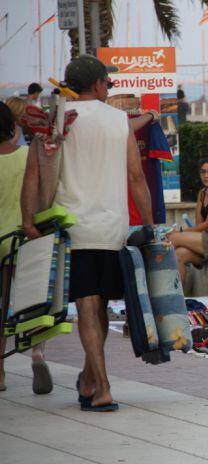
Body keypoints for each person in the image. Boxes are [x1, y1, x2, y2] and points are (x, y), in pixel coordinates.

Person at [20, 54, 154, 412]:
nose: (108, 89)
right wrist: (152, 223)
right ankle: (93, 380)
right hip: (113, 229)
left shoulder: (58, 120)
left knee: (87, 307)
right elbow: (136, 177)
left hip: (73, 228)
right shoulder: (119, 122)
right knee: (101, 310)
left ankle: (99, 383)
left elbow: (34, 174)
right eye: (108, 84)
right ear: (98, 85)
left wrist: (29, 221)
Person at [0, 101, 52, 394]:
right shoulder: (25, 155)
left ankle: (0, 374)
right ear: (12, 125)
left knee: (0, 306)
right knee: (32, 300)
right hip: (22, 238)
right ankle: (37, 352)